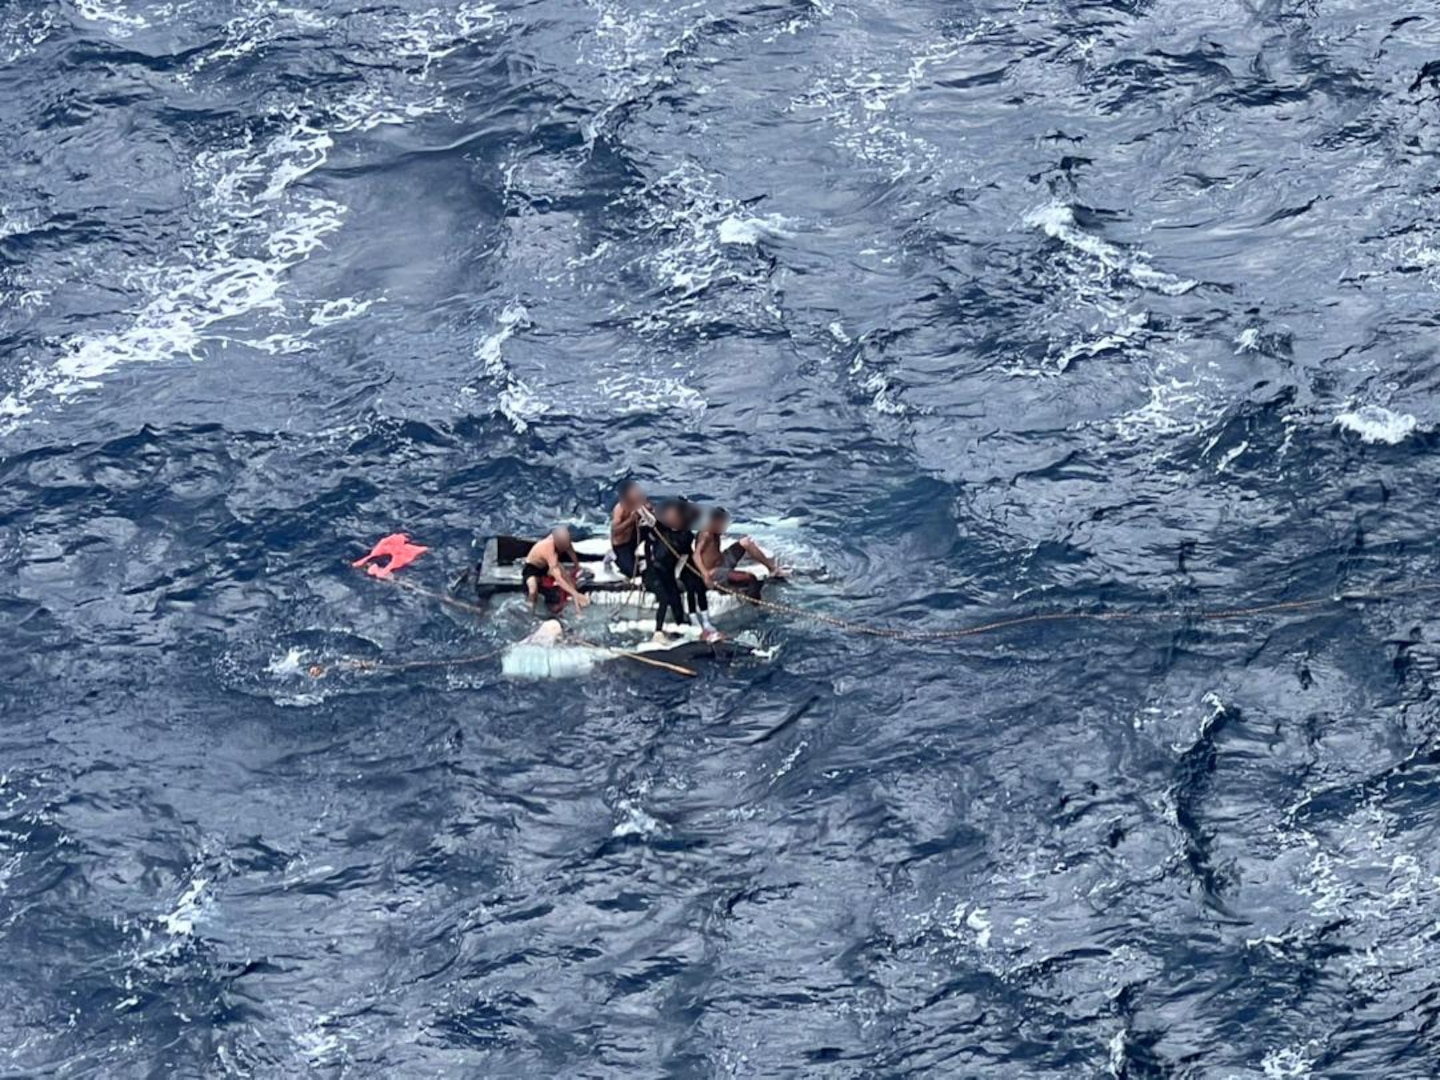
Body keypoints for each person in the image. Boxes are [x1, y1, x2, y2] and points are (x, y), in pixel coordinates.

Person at [694, 508, 782, 586]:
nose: (724, 526)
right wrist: (705, 575)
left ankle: (772, 568)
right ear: (714, 522)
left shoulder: (716, 532)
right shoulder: (706, 534)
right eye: (722, 523)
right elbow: (696, 555)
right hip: (715, 571)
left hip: (723, 561)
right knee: (750, 578)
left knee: (745, 542)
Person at [643, 502, 689, 644]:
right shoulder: (661, 529)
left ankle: (683, 629)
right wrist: (640, 506)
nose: (669, 516)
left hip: (669, 574)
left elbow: (685, 555)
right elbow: (650, 520)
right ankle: (658, 632)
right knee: (664, 597)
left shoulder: (686, 536)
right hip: (653, 573)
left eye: (673, 514)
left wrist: (677, 575)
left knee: (676, 600)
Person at [676, 501, 721, 641]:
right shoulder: (703, 534)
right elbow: (696, 554)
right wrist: (705, 573)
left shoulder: (713, 533)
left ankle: (706, 621)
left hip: (691, 562)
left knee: (700, 589)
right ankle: (694, 620)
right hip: (682, 564)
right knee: (691, 589)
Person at [523, 527, 589, 612]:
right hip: (533, 567)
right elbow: (559, 579)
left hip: (547, 565)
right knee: (533, 589)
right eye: (562, 545)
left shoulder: (564, 540)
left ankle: (578, 612)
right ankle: (530, 612)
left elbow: (569, 549)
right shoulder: (549, 549)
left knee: (570, 581)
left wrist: (577, 565)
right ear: (556, 541)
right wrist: (575, 594)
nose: (564, 548)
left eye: (566, 543)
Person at [609, 479, 652, 579]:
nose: (637, 493)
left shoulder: (640, 501)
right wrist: (631, 520)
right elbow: (615, 531)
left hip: (634, 535)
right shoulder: (620, 509)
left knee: (653, 531)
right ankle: (613, 556)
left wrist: (649, 510)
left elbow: (651, 511)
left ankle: (651, 556)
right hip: (622, 545)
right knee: (632, 572)